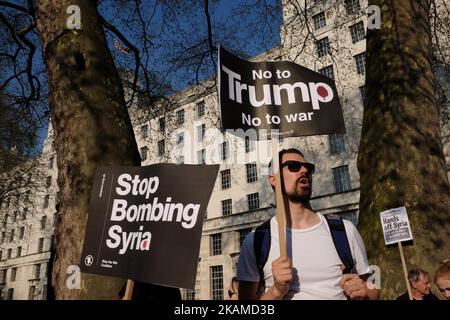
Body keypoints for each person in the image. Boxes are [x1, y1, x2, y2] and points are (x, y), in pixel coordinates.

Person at [237, 148, 379, 300]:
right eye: (293, 166)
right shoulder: (256, 241)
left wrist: (365, 292)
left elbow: (375, 281)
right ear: (273, 179)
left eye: (309, 167)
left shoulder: (345, 229)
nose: (304, 170)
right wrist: (276, 291)